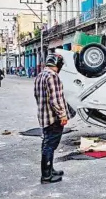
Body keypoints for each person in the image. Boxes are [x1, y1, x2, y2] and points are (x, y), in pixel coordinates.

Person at [34, 54, 71, 184]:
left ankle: (50, 170)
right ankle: (46, 176)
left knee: (47, 143)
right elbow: (55, 100)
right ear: (58, 64)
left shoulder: (40, 75)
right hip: (53, 118)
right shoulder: (52, 76)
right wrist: (63, 115)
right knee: (49, 146)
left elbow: (37, 96)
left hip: (44, 116)